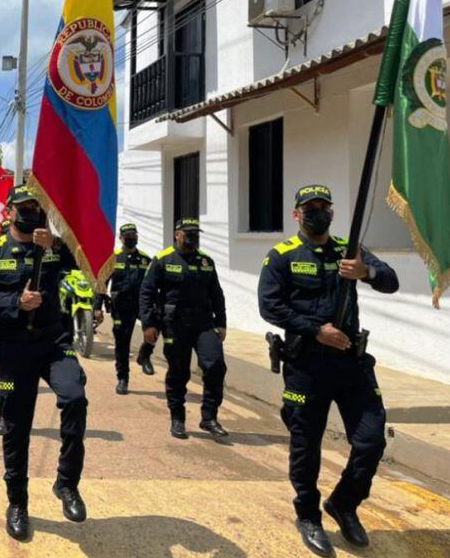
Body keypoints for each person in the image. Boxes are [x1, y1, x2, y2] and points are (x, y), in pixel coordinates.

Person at [258, 184, 399, 557]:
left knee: (371, 440)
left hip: (352, 364)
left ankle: (344, 503)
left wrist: (365, 271)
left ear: (333, 213)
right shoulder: (282, 256)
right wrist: (316, 329)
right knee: (306, 444)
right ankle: (308, 514)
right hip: (307, 365)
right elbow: (270, 307)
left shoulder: (349, 250)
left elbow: (391, 281)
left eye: (323, 206)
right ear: (297, 215)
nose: (317, 212)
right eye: (310, 207)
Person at [0, 185, 88, 541]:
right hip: (12, 348)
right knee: (17, 429)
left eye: (37, 206)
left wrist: (58, 245)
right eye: (24, 206)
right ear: (10, 211)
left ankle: (67, 483)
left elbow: (86, 263)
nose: (31, 211)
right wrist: (15, 302)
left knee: (74, 397)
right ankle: (17, 502)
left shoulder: (52, 248)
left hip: (53, 342)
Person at [139, 218, 228, 440]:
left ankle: (209, 417)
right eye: (188, 233)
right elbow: (147, 292)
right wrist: (148, 324)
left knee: (216, 365)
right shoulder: (162, 260)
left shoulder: (206, 261)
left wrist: (222, 322)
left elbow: (216, 293)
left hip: (204, 323)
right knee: (179, 371)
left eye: (196, 233)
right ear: (177, 234)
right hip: (174, 324)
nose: (193, 237)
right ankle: (177, 417)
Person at [93, 223, 153, 395]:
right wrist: (98, 307)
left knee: (158, 323)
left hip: (142, 305)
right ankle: (123, 379)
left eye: (133, 235)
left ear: (137, 237)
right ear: (120, 238)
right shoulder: (113, 259)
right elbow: (101, 284)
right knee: (122, 344)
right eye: (127, 236)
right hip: (121, 306)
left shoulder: (145, 259)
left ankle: (144, 354)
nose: (130, 238)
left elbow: (155, 281)